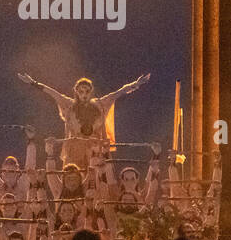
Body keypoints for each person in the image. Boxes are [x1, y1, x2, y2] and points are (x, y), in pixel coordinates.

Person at [18, 71, 150, 168]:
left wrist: (136, 84)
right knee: (73, 176)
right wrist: (33, 83)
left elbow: (118, 93)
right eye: (81, 91)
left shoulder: (100, 104)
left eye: (86, 91)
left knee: (96, 181)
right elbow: (52, 93)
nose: (84, 95)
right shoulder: (69, 104)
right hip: (74, 149)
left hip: (94, 149)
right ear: (76, 91)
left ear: (91, 91)